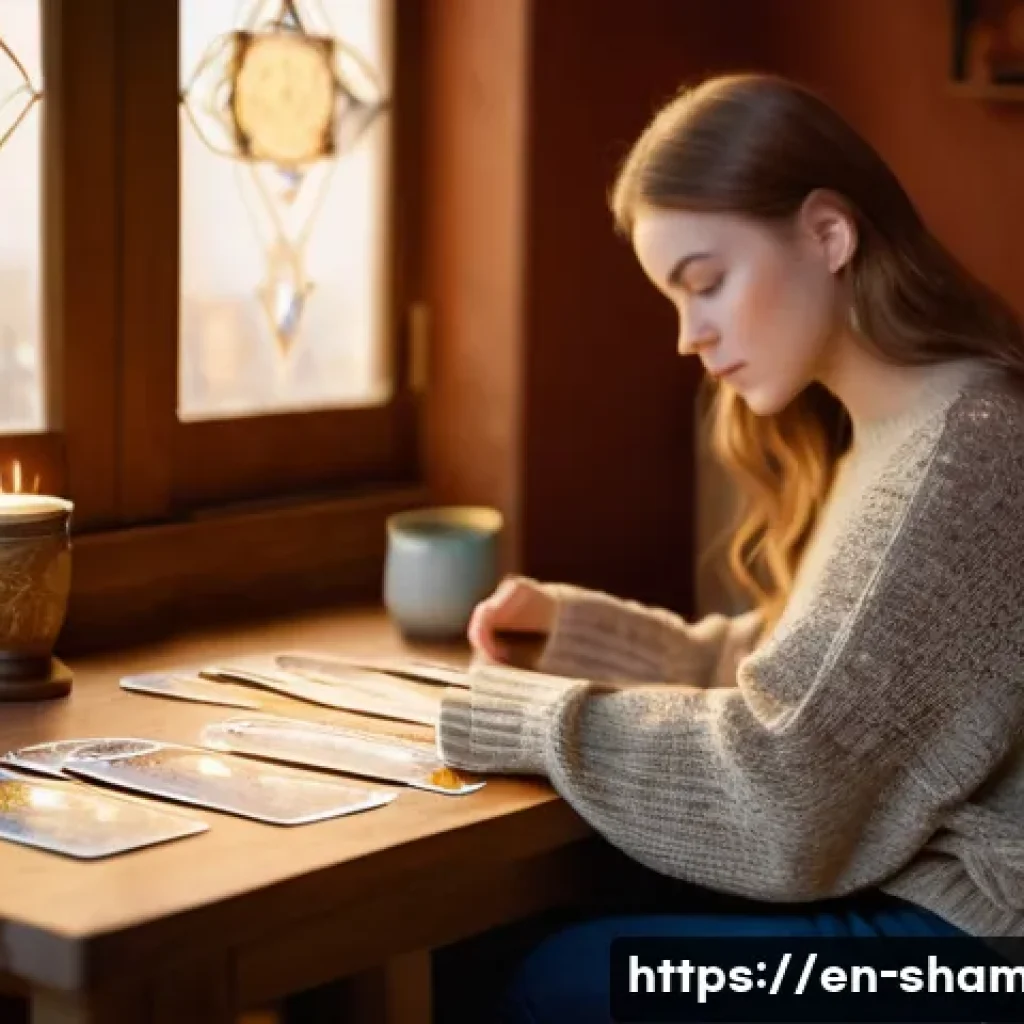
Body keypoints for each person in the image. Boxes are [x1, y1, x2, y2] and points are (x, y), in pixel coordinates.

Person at [434, 72, 1024, 1020]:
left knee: (553, 982)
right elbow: (821, 687)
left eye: (705, 285)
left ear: (829, 235)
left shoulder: (971, 452)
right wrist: (578, 636)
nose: (686, 335)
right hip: (911, 897)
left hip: (979, 948)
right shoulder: (898, 425)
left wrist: (526, 718)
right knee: (487, 935)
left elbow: (789, 788)